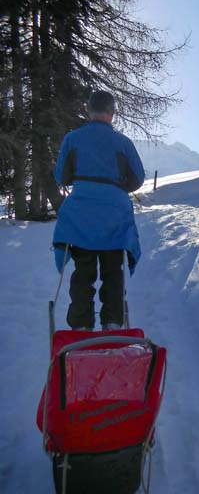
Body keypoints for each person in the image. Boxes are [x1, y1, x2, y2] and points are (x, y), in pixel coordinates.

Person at [52, 90, 145, 331]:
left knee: (83, 270)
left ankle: (81, 326)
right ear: (112, 114)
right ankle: (112, 323)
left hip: (81, 212)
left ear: (89, 111)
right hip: (114, 214)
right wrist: (115, 186)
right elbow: (137, 179)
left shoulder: (72, 139)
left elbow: (61, 176)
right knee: (113, 270)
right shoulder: (123, 143)